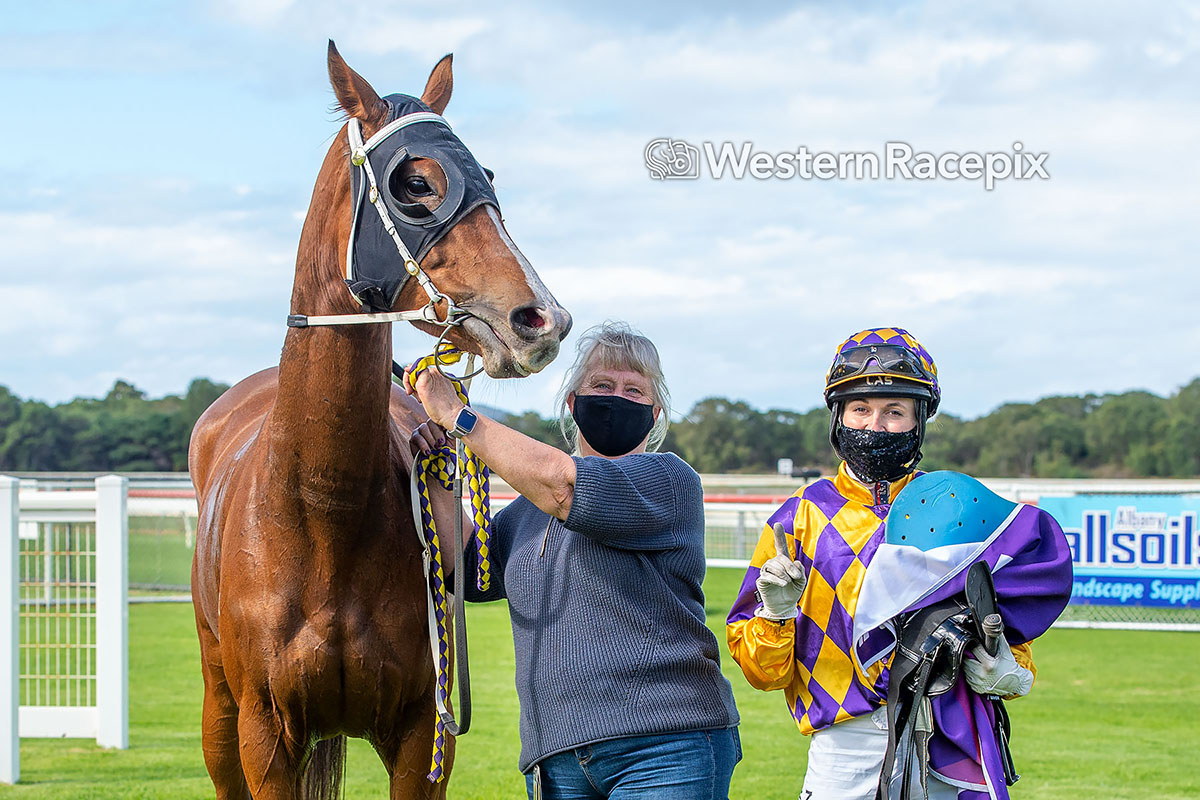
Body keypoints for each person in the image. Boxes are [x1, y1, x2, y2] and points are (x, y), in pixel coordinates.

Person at [405, 320, 741, 800]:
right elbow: (465, 570)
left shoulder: (668, 480)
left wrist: (459, 417)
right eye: (601, 385)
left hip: (665, 747)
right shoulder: (524, 513)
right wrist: (440, 466)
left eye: (633, 390)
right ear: (572, 402)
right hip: (556, 756)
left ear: (655, 414)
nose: (615, 398)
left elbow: (564, 486)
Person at [725, 327, 1045, 800]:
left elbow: (1009, 630)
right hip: (844, 748)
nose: (874, 425)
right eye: (860, 408)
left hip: (950, 733)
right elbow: (763, 674)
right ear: (838, 416)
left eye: (894, 411)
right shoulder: (798, 516)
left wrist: (1010, 669)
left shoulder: (958, 506)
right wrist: (776, 614)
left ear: (919, 420)